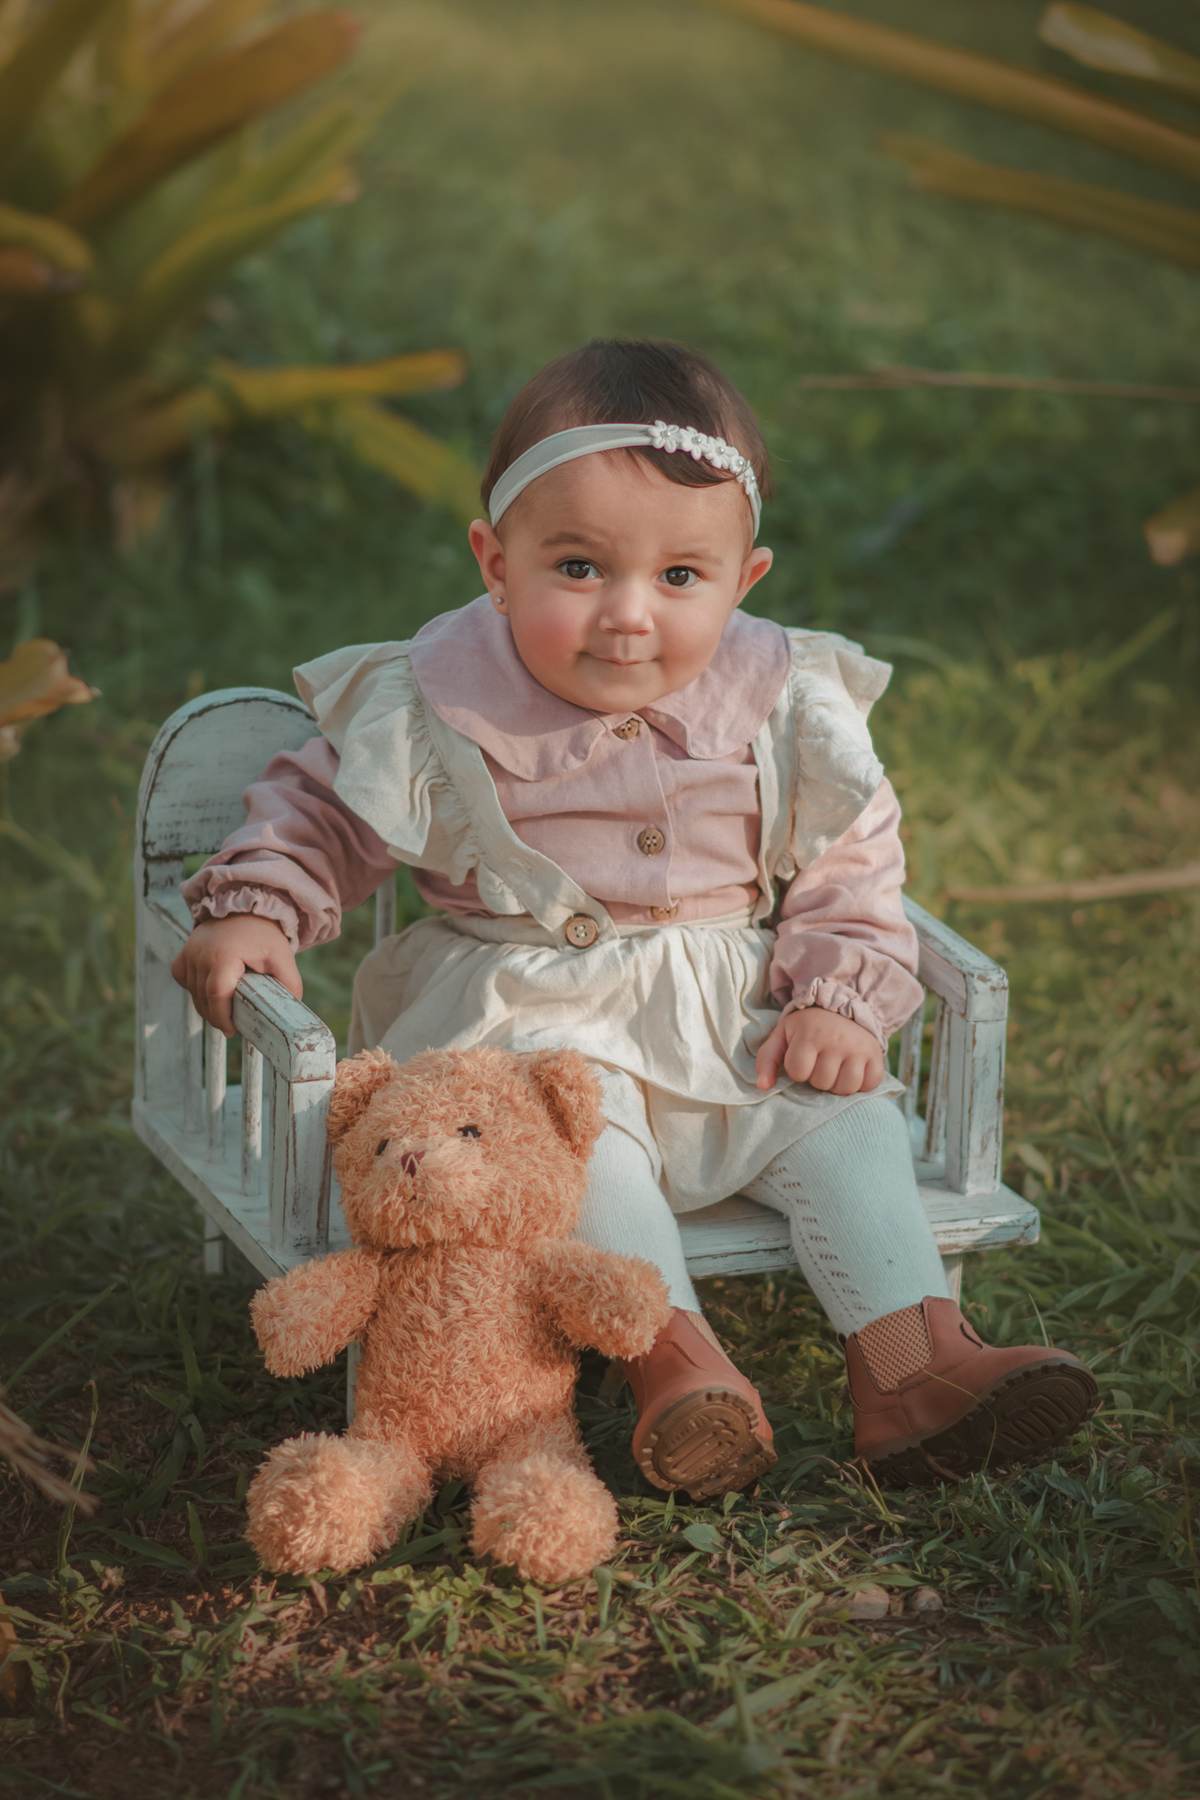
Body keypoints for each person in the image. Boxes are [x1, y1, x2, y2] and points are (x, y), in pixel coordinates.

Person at [172, 338, 1098, 1495]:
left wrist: (840, 995)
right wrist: (261, 906)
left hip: (731, 1015)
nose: (626, 617)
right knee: (577, 1159)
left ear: (742, 579)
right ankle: (683, 1372)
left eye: (678, 579)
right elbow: (323, 813)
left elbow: (852, 861)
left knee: (845, 1120)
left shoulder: (783, 697)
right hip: (525, 1024)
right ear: (494, 561)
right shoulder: (433, 700)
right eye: (576, 568)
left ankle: (913, 1372)